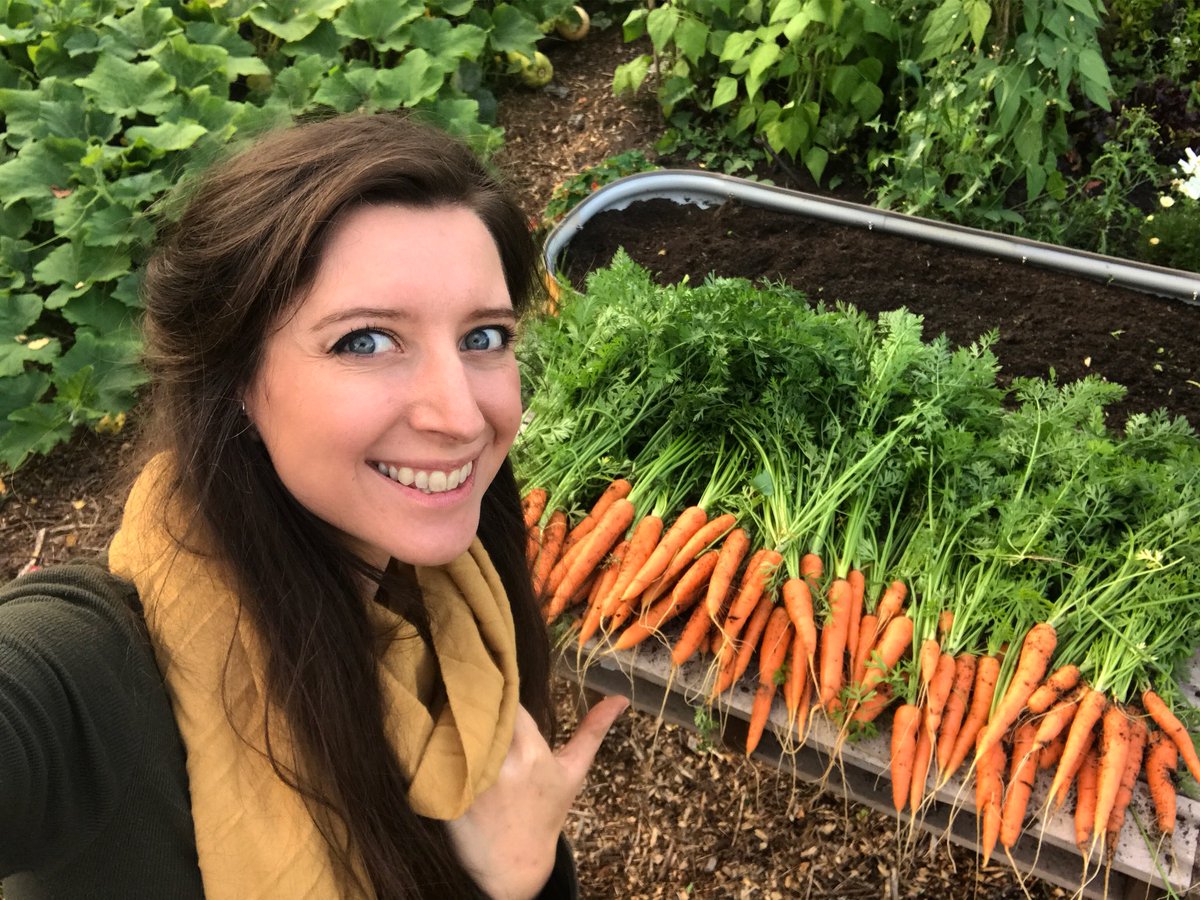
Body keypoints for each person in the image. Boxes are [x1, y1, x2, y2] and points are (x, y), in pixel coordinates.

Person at [0, 111, 629, 899]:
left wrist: (522, 879)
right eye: (366, 341)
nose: (463, 415)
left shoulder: (458, 619)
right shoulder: (84, 673)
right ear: (234, 382)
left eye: (484, 338)